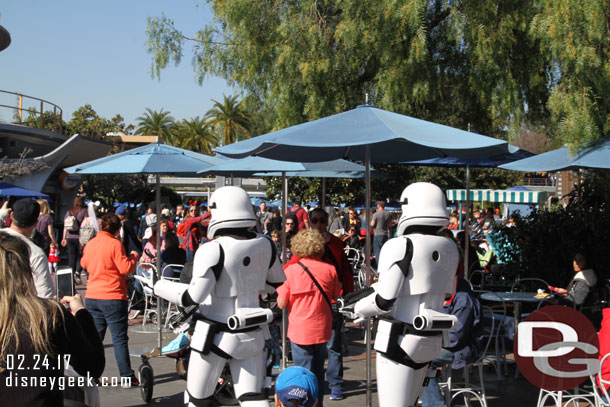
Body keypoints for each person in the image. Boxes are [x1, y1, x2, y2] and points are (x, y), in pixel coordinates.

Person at [154, 186, 285, 407]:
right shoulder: (266, 244)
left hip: (213, 334)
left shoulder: (212, 249)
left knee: (197, 399)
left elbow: (192, 297)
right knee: (253, 399)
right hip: (252, 332)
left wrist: (159, 286)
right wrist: (249, 286)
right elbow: (275, 283)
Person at [348, 182, 459, 407]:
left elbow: (384, 300)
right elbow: (447, 290)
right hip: (433, 338)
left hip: (399, 338)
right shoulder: (450, 247)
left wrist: (355, 309)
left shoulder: (400, 245)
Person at [0, 231, 105, 406]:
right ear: (26, 269)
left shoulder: (49, 314)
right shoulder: (49, 315)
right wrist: (81, 313)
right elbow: (92, 367)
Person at [285, 208, 354, 400]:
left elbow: (346, 272)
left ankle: (335, 384)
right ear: (309, 222)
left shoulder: (337, 245)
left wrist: (348, 296)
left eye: (322, 220)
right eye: (314, 220)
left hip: (332, 302)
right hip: (309, 306)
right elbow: (290, 269)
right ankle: (313, 391)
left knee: (333, 347)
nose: (318, 224)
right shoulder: (305, 246)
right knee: (313, 354)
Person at [278, 229, 342, 406]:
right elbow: (336, 294)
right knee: (318, 372)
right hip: (322, 328)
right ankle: (318, 403)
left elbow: (281, 303)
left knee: (303, 374)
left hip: (300, 330)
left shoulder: (291, 271)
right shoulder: (330, 269)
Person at [80, 213, 140, 385]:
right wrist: (134, 257)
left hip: (93, 295)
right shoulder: (115, 244)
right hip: (113, 296)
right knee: (119, 339)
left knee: (95, 339)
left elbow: (84, 263)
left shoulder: (91, 243)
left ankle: (91, 375)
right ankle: (127, 376)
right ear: (117, 229)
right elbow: (125, 268)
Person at [421, 277, 483, 407]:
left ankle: (435, 404)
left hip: (463, 349)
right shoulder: (450, 294)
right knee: (413, 354)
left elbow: (456, 337)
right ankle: (423, 397)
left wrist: (431, 339)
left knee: (422, 360)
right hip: (450, 344)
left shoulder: (463, 299)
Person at [3, 198, 54, 298]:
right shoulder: (35, 253)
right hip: (16, 309)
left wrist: (3, 212)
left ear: (12, 215)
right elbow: (45, 295)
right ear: (36, 223)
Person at [62, 196, 88, 285]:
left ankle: (70, 277)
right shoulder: (83, 211)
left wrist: (63, 238)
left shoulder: (69, 211)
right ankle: (77, 272)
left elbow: (65, 225)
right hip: (79, 237)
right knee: (82, 256)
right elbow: (86, 224)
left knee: (72, 257)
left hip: (69, 237)